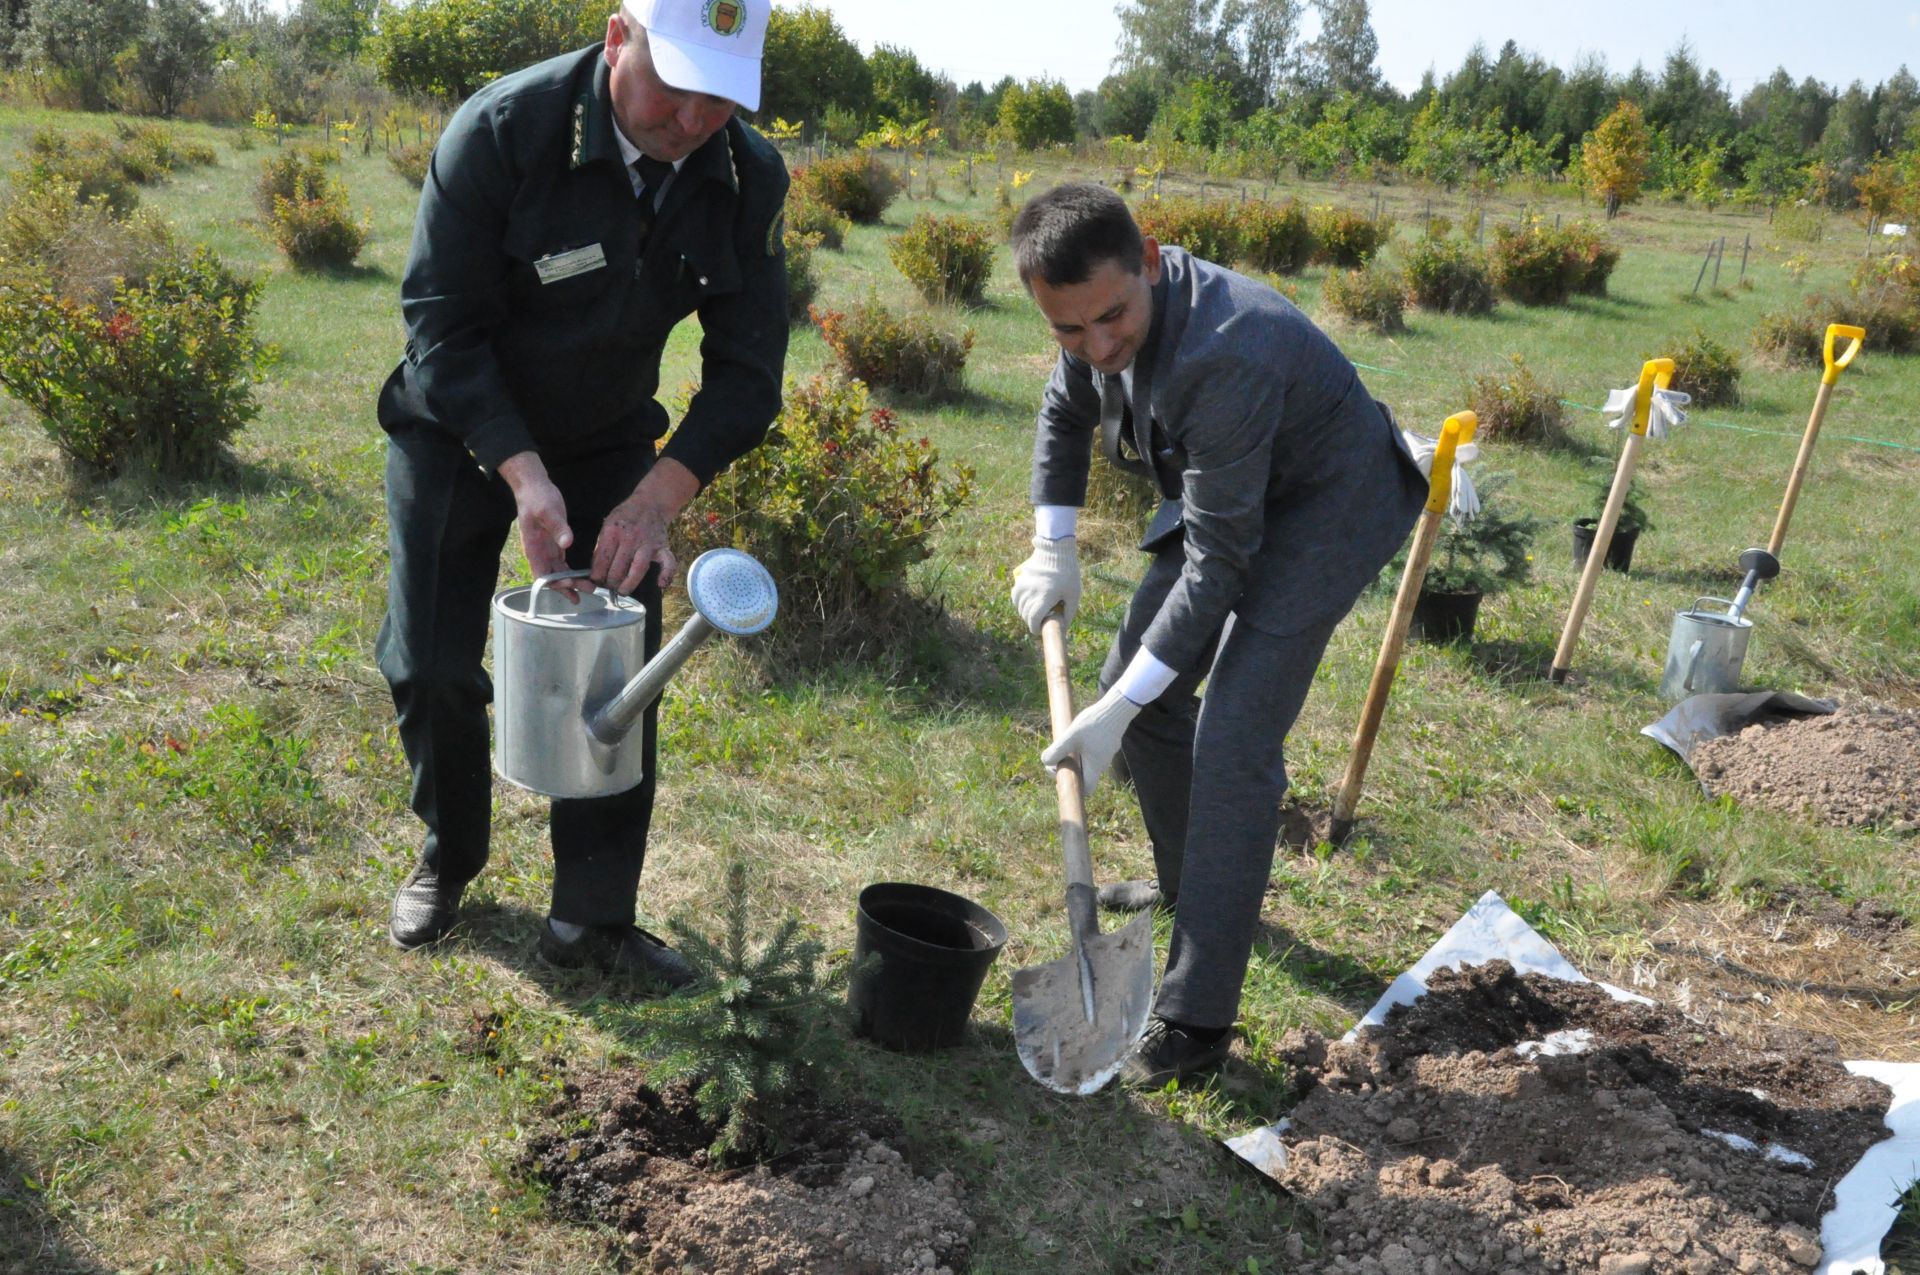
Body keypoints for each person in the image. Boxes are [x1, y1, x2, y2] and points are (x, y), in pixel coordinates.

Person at [375, 0, 789, 986]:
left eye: (722, 99)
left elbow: (747, 373)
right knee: (430, 664)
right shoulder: (504, 132)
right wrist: (521, 472)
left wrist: (658, 498)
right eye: (676, 82)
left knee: (617, 680)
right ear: (617, 38)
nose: (693, 119)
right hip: (457, 430)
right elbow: (440, 322)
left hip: (610, 450)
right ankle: (450, 856)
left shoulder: (745, 178)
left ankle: (592, 919)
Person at [1007, 183, 1427, 1085]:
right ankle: (1195, 880)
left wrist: (1114, 708)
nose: (1097, 345)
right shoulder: (1090, 323)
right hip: (1229, 495)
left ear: (1151, 259)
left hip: (1328, 501)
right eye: (1069, 330)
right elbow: (1064, 410)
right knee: (1142, 685)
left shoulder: (1226, 348)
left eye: (1113, 318)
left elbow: (1220, 568)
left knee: (1234, 736)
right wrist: (1056, 546)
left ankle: (1196, 1020)